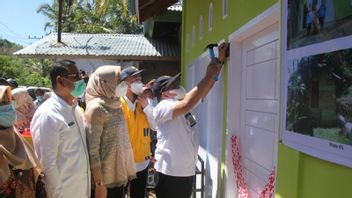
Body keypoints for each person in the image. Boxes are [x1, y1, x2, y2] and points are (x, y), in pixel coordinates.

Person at [151, 42, 229, 198]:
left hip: (185, 172)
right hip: (170, 174)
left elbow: (205, 89)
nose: (177, 85)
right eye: (172, 85)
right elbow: (189, 102)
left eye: (176, 82)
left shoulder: (181, 103)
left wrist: (218, 62)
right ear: (163, 93)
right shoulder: (162, 107)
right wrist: (208, 74)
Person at [30, 60, 91, 198]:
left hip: (81, 190)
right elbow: (47, 163)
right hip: (64, 193)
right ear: (60, 81)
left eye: (81, 76)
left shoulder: (75, 109)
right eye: (76, 77)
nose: (81, 81)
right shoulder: (49, 114)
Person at [85, 65, 136, 198]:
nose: (122, 84)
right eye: (118, 81)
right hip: (105, 181)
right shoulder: (96, 109)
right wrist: (99, 184)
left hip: (118, 174)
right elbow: (92, 149)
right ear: (103, 83)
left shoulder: (115, 102)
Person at [0, 85, 46, 198]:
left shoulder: (19, 139)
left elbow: (37, 179)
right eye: (2, 103)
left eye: (8, 102)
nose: (7, 107)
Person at [119, 66, 157, 198]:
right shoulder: (118, 104)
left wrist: (147, 106)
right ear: (125, 83)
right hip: (123, 164)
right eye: (134, 79)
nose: (139, 82)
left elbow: (155, 126)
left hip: (142, 163)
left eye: (140, 79)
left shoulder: (145, 103)